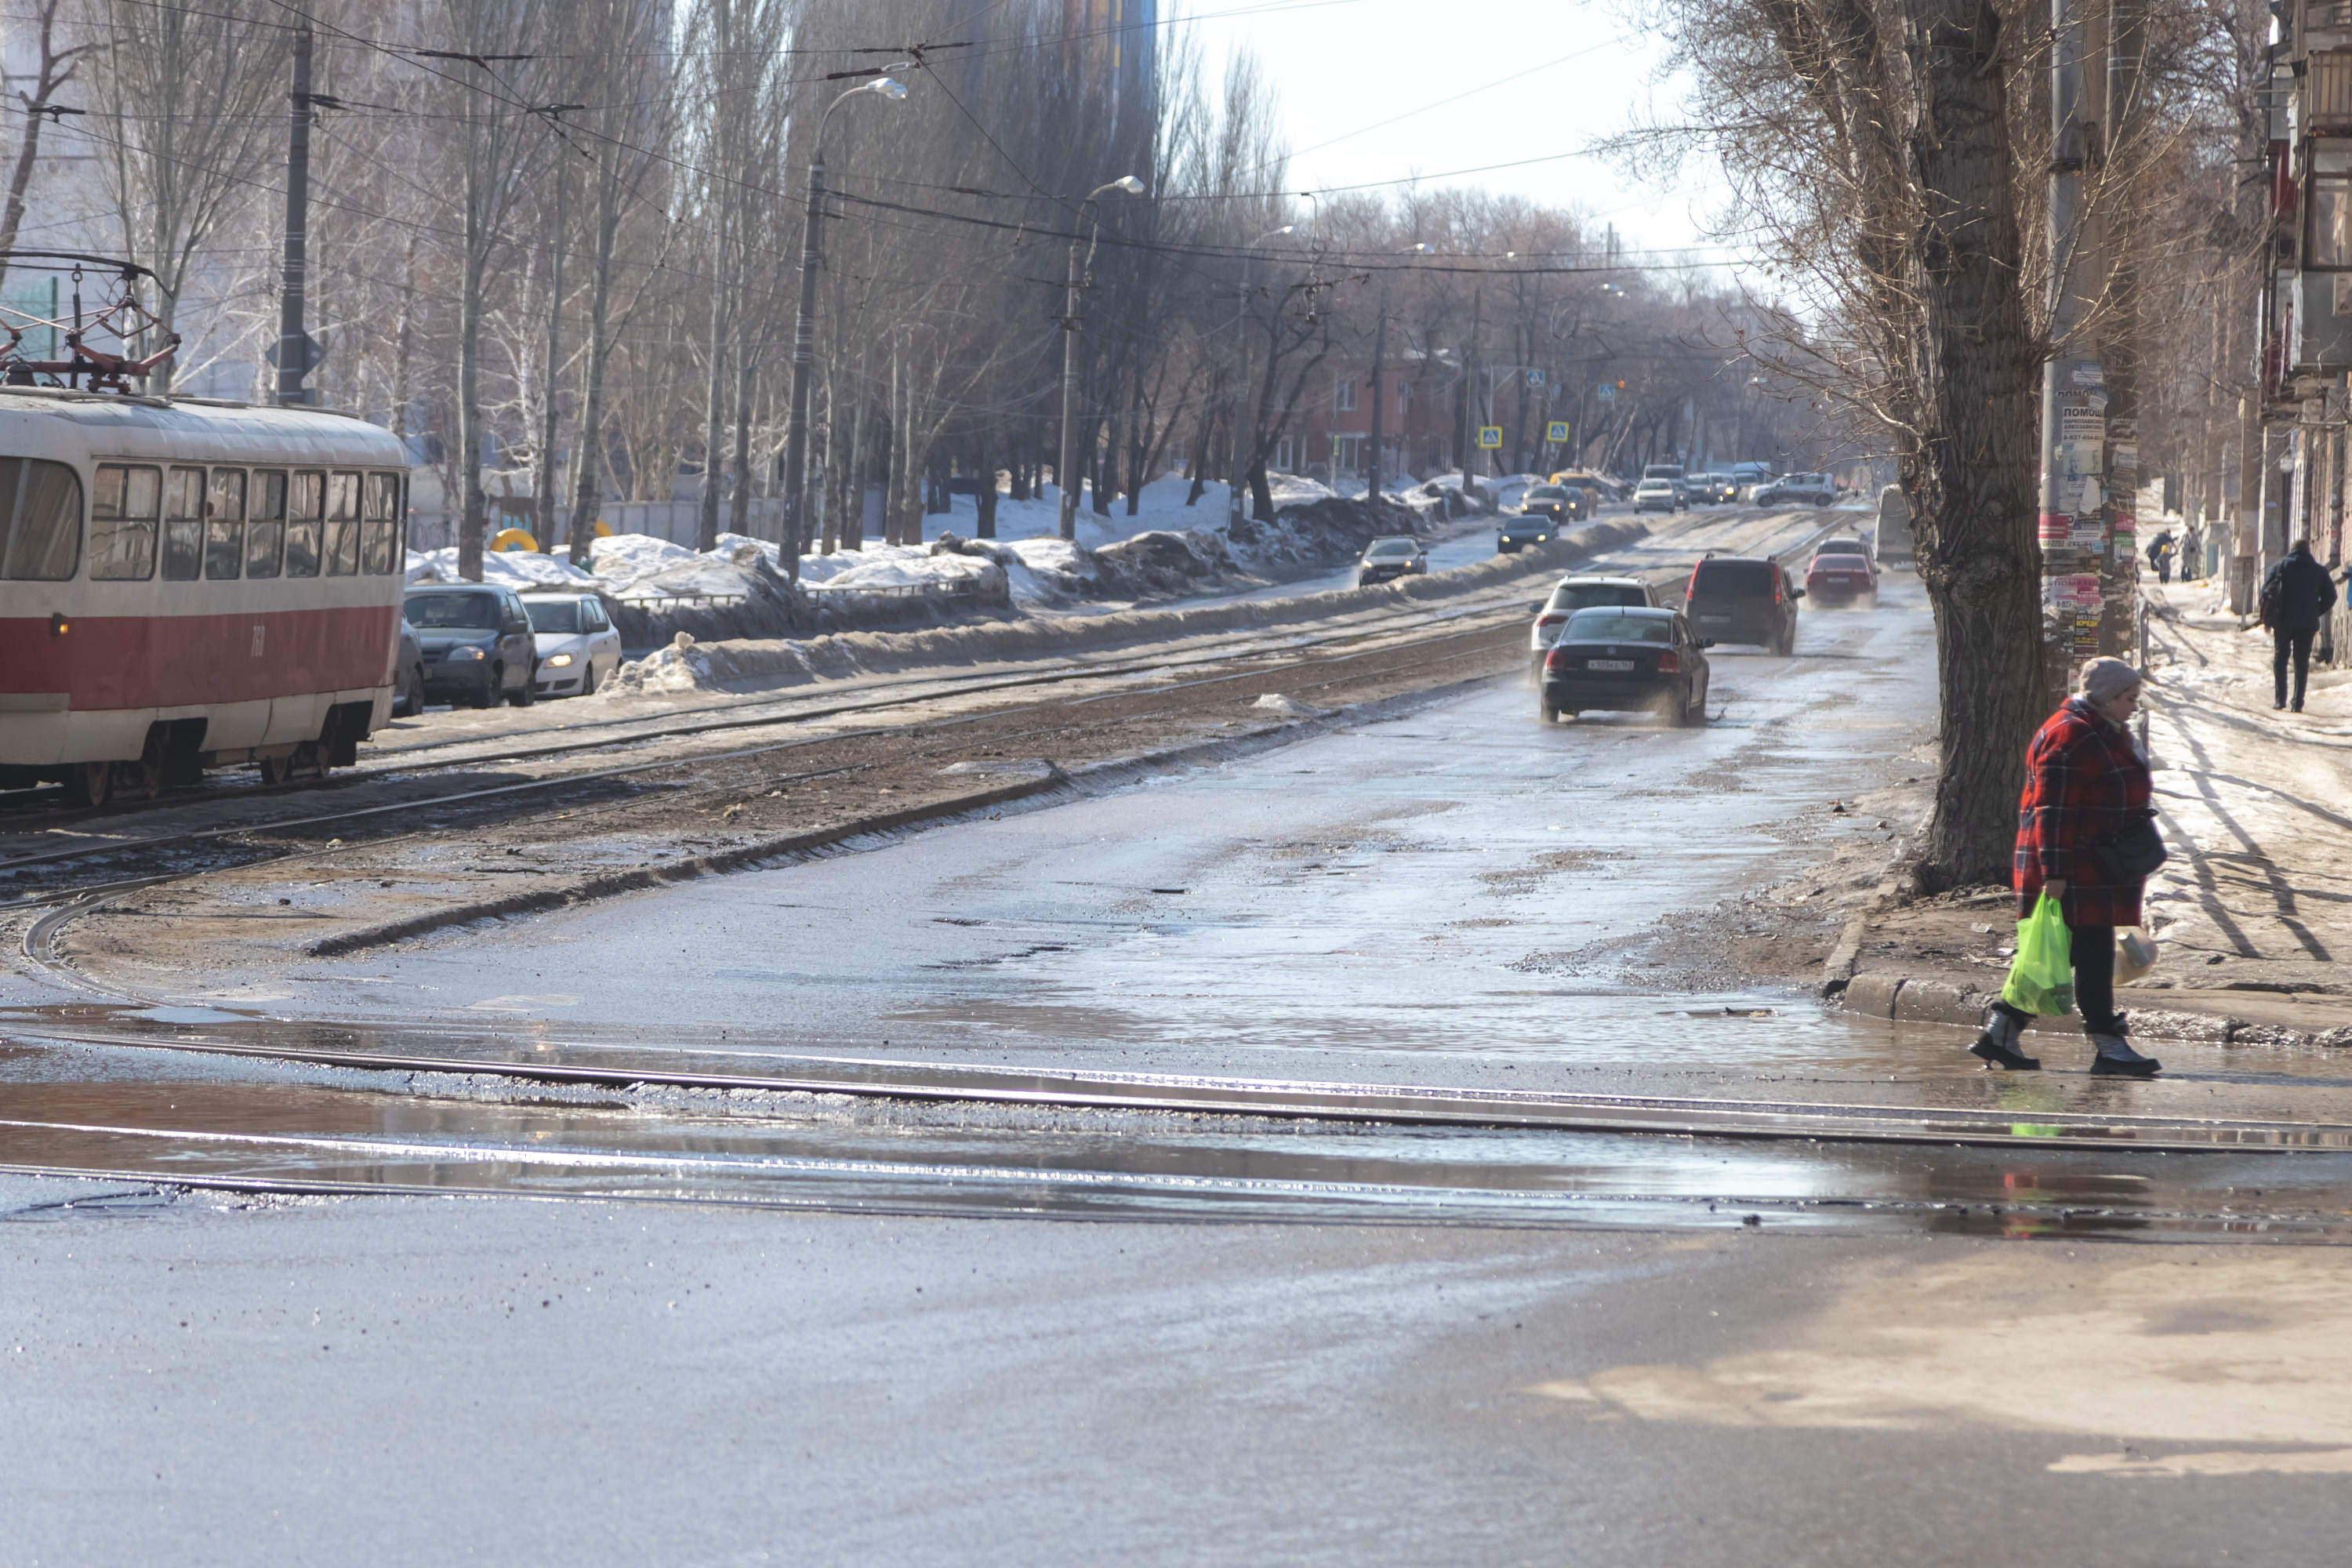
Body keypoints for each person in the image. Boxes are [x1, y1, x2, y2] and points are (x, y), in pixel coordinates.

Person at [1971, 657, 2162, 1077]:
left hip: (2095, 867)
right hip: (2069, 869)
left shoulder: (2102, 730)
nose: (2135, 706)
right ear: (2107, 698)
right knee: (2088, 956)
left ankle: (2001, 1030)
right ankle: (2109, 1046)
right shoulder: (2069, 737)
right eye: (2129, 698)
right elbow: (2052, 812)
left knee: (2064, 956)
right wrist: (2055, 874)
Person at [2260, 539, 2339, 713]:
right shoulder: (2319, 570)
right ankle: (2297, 703)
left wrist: (2267, 618)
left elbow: (2265, 592)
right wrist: (2316, 610)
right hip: (2306, 624)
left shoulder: (2280, 567)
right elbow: (2332, 596)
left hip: (2282, 621)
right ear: (2308, 551)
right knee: (2301, 662)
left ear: (2292, 550)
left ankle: (2280, 700)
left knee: (2280, 660)